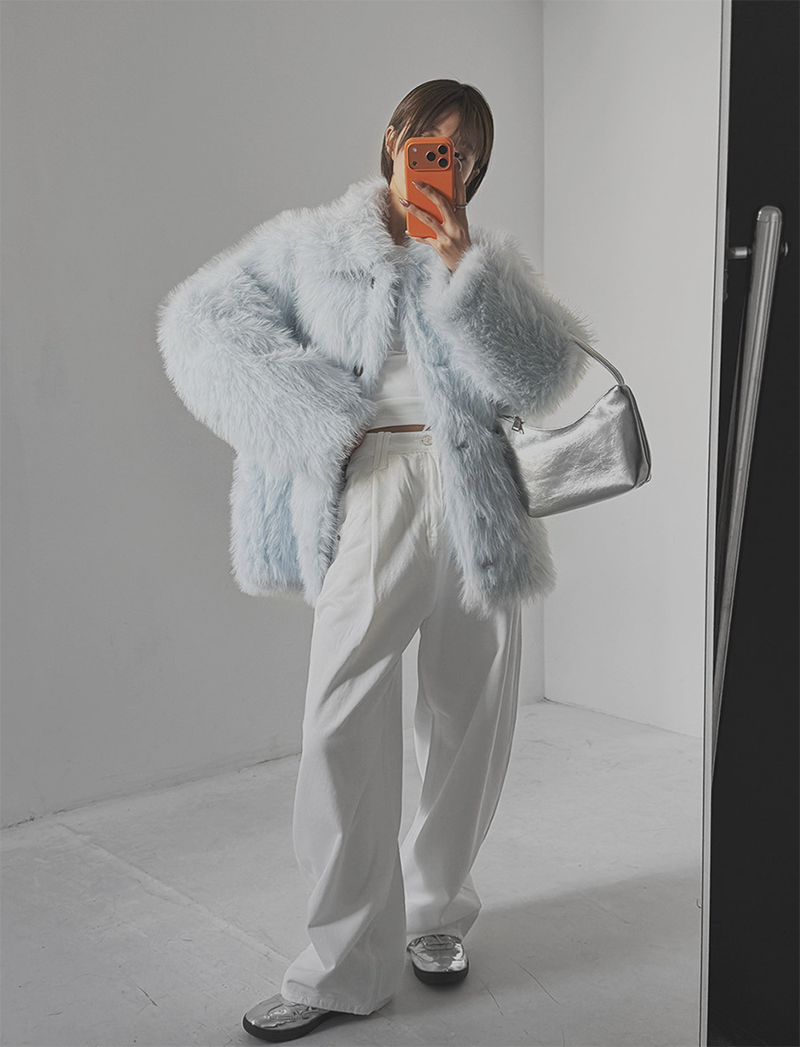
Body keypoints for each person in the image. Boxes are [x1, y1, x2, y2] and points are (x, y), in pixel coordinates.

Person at [156, 79, 591, 1042]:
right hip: (378, 485)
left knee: (470, 717)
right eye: (440, 144)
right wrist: (320, 416)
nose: (453, 166)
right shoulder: (307, 247)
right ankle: (342, 964)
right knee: (342, 717)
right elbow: (196, 323)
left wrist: (467, 267)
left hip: (480, 494)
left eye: (469, 159)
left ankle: (435, 911)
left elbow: (547, 374)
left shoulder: (480, 260)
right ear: (396, 138)